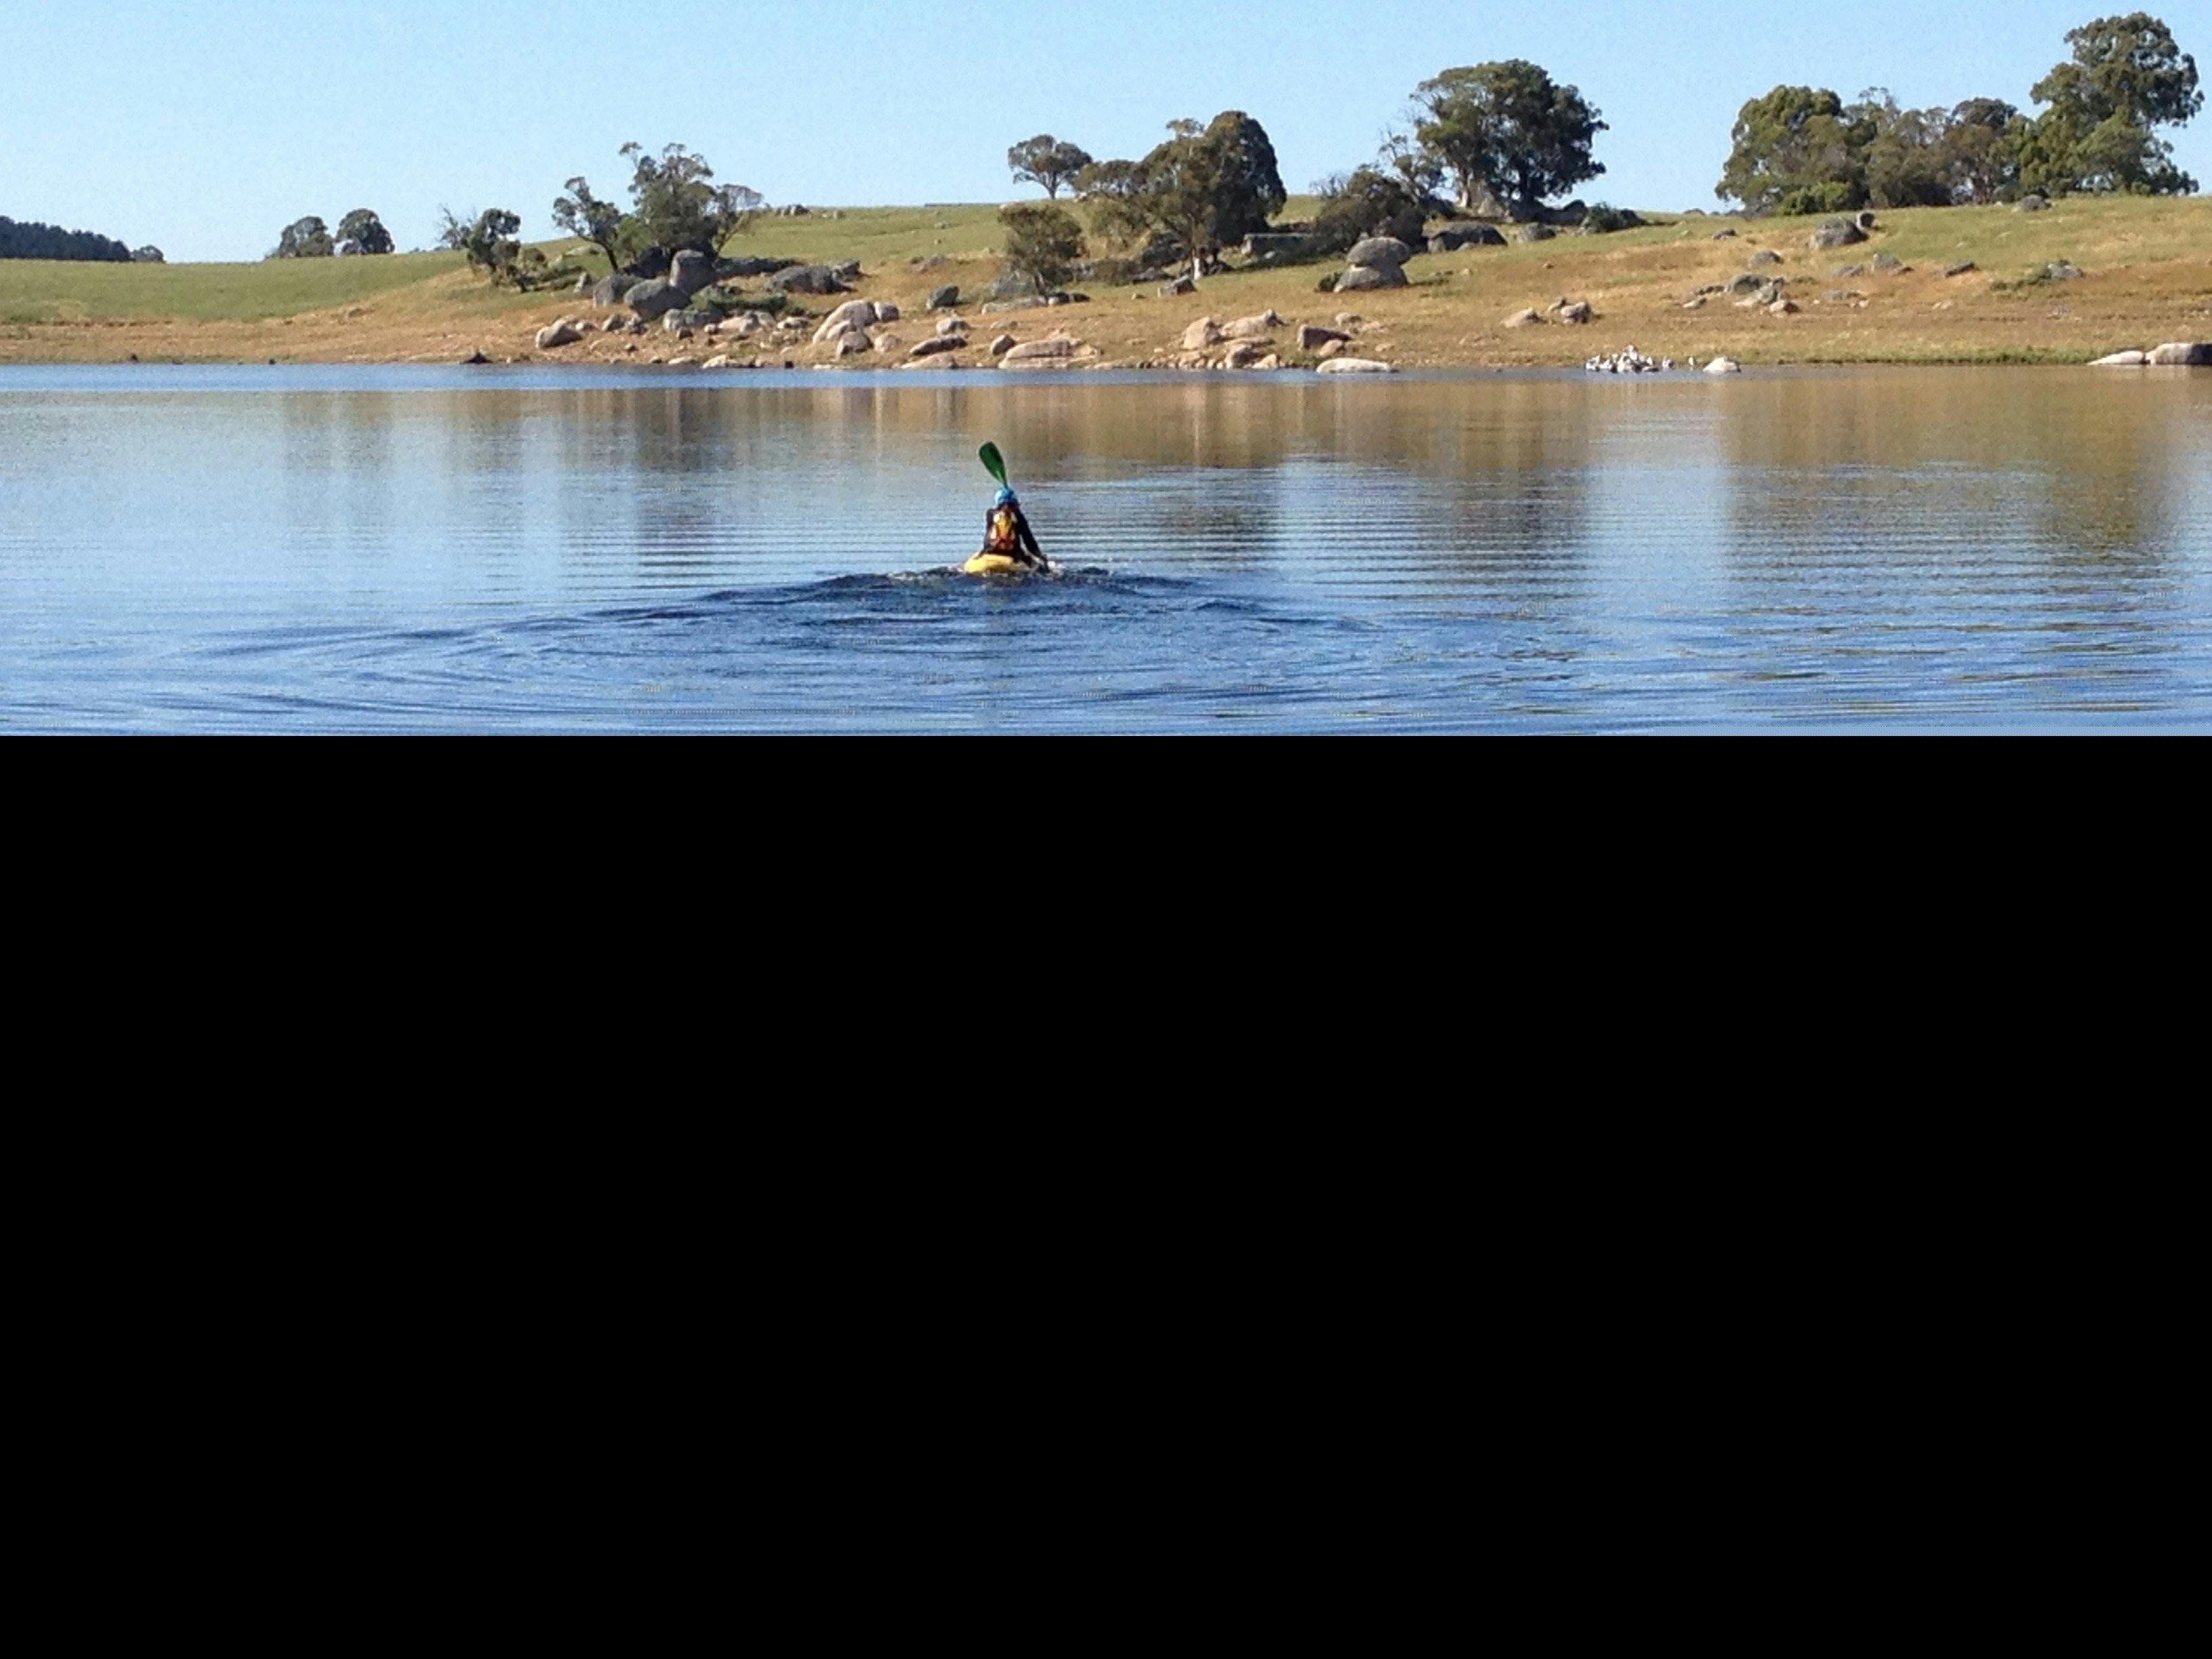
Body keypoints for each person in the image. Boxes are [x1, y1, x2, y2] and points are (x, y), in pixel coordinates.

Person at [966, 487, 1050, 575]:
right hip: (1012, 558)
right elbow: (1029, 542)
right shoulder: (1019, 518)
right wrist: (1040, 556)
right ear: (1015, 504)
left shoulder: (990, 514)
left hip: (987, 557)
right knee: (1040, 569)